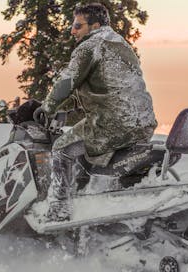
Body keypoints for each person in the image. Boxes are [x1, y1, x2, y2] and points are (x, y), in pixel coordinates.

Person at [34, 3, 157, 222]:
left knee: (61, 148)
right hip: (143, 124)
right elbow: (107, 87)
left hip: (112, 124)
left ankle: (59, 209)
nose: (72, 31)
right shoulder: (121, 45)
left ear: (95, 25)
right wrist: (69, 104)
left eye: (78, 26)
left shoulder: (89, 47)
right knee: (85, 148)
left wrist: (48, 107)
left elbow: (67, 81)